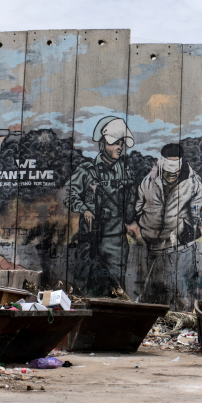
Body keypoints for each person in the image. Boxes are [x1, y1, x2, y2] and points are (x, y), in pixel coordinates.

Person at [66, 116, 138, 296]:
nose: (119, 147)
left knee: (115, 288)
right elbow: (69, 195)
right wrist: (84, 209)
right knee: (84, 288)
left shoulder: (126, 172)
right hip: (90, 240)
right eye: (114, 143)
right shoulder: (87, 170)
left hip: (115, 241)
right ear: (102, 144)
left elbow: (130, 211)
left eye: (121, 143)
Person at [135, 143, 202, 308]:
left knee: (179, 294)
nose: (173, 173)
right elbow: (138, 207)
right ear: (161, 163)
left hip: (180, 248)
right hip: (153, 247)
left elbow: (199, 213)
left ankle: (181, 322)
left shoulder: (192, 183)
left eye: (176, 167)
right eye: (169, 168)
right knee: (153, 294)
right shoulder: (148, 182)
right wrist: (147, 230)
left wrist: (183, 231)